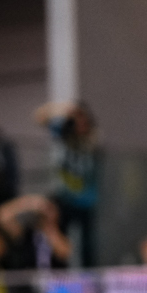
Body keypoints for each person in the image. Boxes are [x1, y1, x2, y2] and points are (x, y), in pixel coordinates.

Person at [37, 100, 101, 267]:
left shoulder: (91, 138)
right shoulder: (63, 134)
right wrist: (64, 110)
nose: (80, 123)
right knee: (60, 237)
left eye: (83, 119)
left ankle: (89, 276)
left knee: (87, 244)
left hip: (86, 200)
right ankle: (60, 274)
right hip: (65, 198)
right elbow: (39, 117)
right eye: (76, 119)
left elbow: (97, 139)